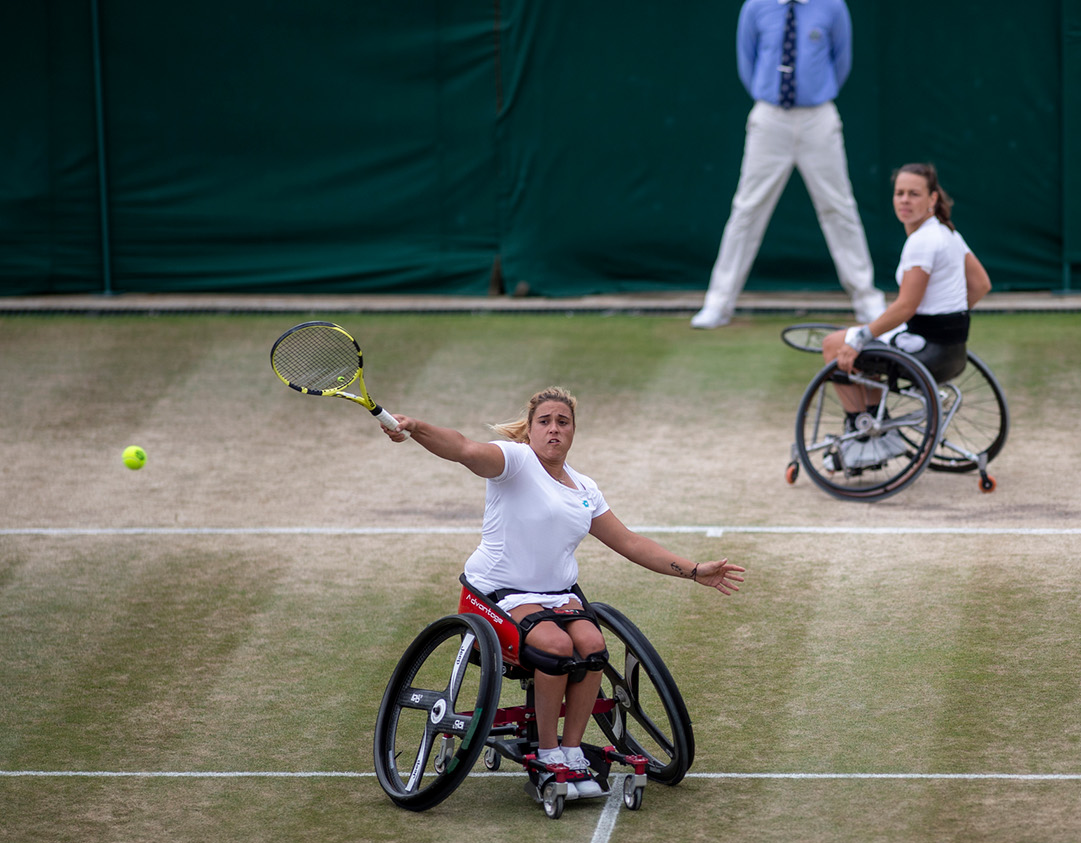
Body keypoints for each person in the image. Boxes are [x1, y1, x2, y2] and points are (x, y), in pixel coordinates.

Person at [381, 387, 744, 798]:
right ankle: (548, 751)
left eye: (563, 422)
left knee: (591, 645)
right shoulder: (514, 462)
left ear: (572, 432)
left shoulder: (585, 489)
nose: (554, 429)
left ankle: (572, 751)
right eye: (545, 422)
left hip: (556, 594)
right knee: (555, 647)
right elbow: (463, 448)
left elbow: (630, 542)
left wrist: (695, 571)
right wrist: (416, 428)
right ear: (531, 430)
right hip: (496, 593)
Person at [691, 0, 885, 330]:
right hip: (769, 117)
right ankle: (719, 303)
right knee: (747, 209)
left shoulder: (833, 7)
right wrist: (768, 95)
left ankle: (866, 299)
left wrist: (816, 93)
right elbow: (746, 60)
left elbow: (842, 60)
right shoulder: (755, 7)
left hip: (818, 117)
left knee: (839, 207)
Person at [821, 162, 992, 467]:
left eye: (914, 194)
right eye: (899, 193)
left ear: (932, 199)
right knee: (869, 340)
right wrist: (947, 314)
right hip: (952, 351)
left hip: (925, 352)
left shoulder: (922, 242)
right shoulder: (948, 234)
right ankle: (879, 433)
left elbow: (905, 307)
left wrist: (860, 337)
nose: (904, 200)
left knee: (834, 344)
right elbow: (981, 285)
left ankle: (863, 439)